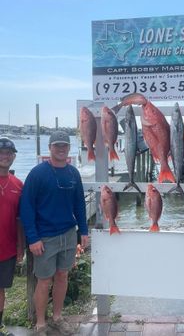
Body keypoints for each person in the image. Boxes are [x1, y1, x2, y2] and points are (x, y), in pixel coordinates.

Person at [20, 131, 88, 336]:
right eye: (57, 145)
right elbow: (26, 208)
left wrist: (83, 231)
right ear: (49, 148)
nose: (61, 149)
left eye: (64, 146)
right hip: (45, 237)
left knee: (62, 276)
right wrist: (32, 238)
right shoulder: (37, 174)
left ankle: (57, 318)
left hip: (68, 233)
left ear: (69, 148)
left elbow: (79, 205)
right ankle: (40, 324)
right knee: (44, 280)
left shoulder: (73, 173)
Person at [0, 137, 24, 336]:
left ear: (14, 157)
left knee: (0, 290)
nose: (5, 156)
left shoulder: (18, 184)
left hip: (7, 247)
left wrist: (20, 247)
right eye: (1, 152)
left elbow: (19, 219)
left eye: (8, 153)